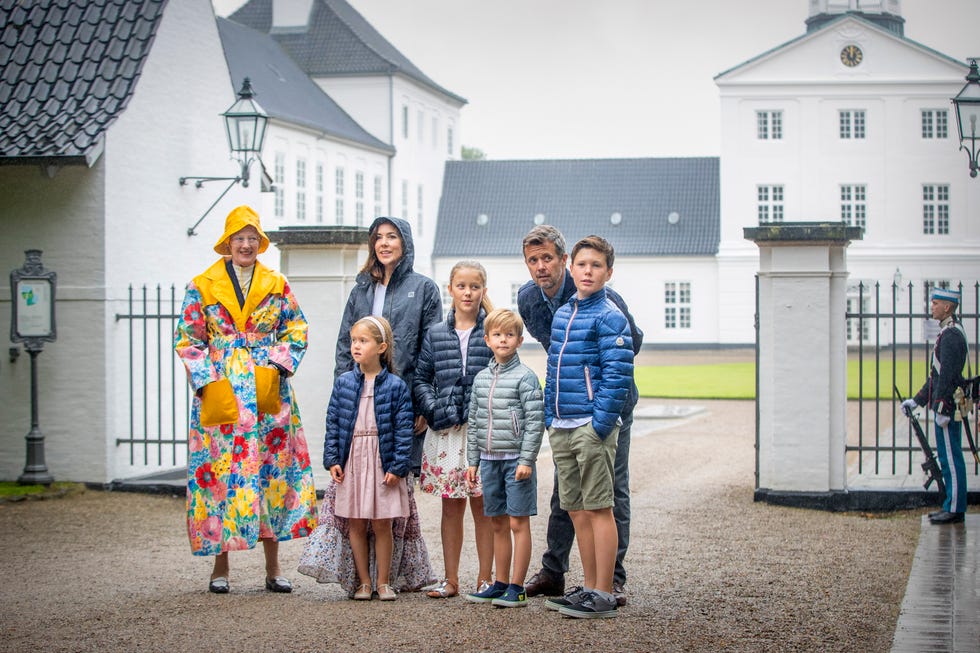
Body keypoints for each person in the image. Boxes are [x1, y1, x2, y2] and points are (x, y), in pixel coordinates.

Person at [174, 205, 317, 594]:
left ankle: (274, 568)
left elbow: (297, 327)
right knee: (221, 475)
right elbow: (188, 338)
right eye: (239, 238)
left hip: (265, 386)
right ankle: (220, 569)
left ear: (261, 242)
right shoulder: (202, 285)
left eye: (253, 238)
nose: (246, 245)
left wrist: (277, 366)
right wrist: (207, 381)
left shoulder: (276, 283)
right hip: (222, 387)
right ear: (227, 242)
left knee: (271, 472)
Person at [517, 225, 642, 607]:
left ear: (563, 261)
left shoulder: (602, 299)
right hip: (566, 410)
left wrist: (599, 417)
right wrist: (553, 412)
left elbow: (629, 346)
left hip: (605, 407)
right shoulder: (530, 299)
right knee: (567, 496)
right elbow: (554, 351)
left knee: (608, 493)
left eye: (547, 258)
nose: (541, 266)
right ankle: (557, 573)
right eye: (533, 260)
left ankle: (610, 581)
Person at [298, 317, 433, 597]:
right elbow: (333, 422)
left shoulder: (396, 386)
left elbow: (403, 430)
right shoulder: (344, 383)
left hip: (382, 462)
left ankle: (383, 582)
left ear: (381, 347)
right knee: (356, 523)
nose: (356, 346)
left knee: (383, 523)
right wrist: (333, 459)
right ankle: (363, 582)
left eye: (363, 341)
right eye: (353, 341)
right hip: (353, 461)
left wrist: (398, 466)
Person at [542, 235, 634, 619]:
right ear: (571, 267)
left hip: (590, 427)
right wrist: (549, 416)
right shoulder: (564, 313)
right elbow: (553, 368)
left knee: (599, 508)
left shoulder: (610, 315)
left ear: (608, 272)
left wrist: (600, 425)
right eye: (582, 264)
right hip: (562, 424)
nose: (588, 271)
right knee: (577, 510)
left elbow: (617, 376)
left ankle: (604, 592)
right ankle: (590, 587)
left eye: (596, 265)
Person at [335, 216, 443, 476]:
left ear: (405, 243)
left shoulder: (424, 289)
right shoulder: (361, 290)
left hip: (403, 395)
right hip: (361, 394)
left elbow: (432, 350)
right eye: (378, 237)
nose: (384, 243)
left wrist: (424, 404)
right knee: (363, 470)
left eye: (391, 237)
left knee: (398, 473)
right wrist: (341, 394)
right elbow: (344, 346)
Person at [413, 261, 495, 598]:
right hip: (447, 432)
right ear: (450, 289)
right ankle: (450, 580)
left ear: (483, 290)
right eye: (461, 286)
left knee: (483, 506)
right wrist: (434, 410)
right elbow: (421, 378)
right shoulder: (436, 333)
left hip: (483, 432)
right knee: (451, 507)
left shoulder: (493, 329)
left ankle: (485, 579)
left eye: (474, 286)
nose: (468, 292)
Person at [463, 308, 544, 608]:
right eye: (497, 334)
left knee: (518, 524)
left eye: (510, 335)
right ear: (487, 339)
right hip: (489, 460)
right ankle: (499, 583)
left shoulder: (526, 378)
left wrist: (526, 460)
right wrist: (473, 461)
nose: (503, 340)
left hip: (516, 462)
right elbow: (475, 421)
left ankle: (517, 587)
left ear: (519, 341)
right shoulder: (481, 379)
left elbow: (535, 422)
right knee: (497, 523)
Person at [902, 287, 969, 524]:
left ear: (947, 307)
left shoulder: (950, 335)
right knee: (947, 457)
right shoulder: (948, 332)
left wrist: (942, 408)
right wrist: (917, 400)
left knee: (951, 459)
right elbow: (936, 376)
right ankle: (951, 504)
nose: (932, 307)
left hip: (947, 407)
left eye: (936, 303)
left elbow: (948, 376)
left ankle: (955, 508)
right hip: (946, 405)